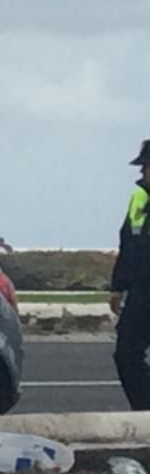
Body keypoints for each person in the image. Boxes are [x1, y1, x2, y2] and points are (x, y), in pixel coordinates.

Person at [111, 140, 150, 410]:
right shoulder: (139, 198)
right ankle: (145, 413)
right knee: (125, 354)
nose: (144, 172)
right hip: (141, 291)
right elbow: (127, 243)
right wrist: (117, 286)